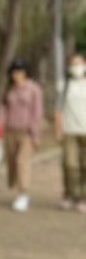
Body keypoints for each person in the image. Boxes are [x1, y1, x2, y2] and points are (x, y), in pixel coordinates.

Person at [0, 59, 43, 212]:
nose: (17, 75)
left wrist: (35, 134)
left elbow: (37, 112)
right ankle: (18, 189)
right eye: (14, 72)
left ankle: (23, 194)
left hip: (27, 132)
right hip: (10, 131)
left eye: (20, 71)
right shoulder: (10, 90)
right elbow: (3, 109)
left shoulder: (34, 89)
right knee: (12, 163)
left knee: (22, 162)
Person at [56, 51, 86, 212]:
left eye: (78, 63)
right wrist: (58, 129)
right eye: (73, 64)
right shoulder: (65, 85)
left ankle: (82, 198)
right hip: (69, 131)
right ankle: (69, 195)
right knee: (69, 165)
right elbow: (58, 110)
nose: (76, 67)